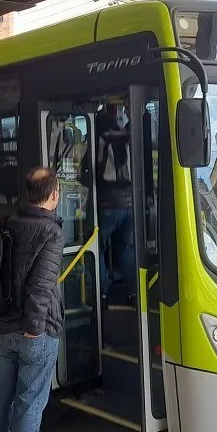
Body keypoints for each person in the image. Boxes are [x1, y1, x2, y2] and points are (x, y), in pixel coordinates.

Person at [0, 167, 64, 432]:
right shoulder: (51, 232)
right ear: (54, 194)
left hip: (3, 328)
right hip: (34, 332)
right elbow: (40, 290)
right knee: (29, 406)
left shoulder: (6, 222)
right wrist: (33, 333)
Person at [95, 104, 136, 305]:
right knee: (125, 248)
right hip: (129, 203)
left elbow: (91, 168)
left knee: (97, 247)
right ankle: (135, 291)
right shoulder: (127, 135)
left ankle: (102, 291)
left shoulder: (102, 137)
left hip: (108, 204)